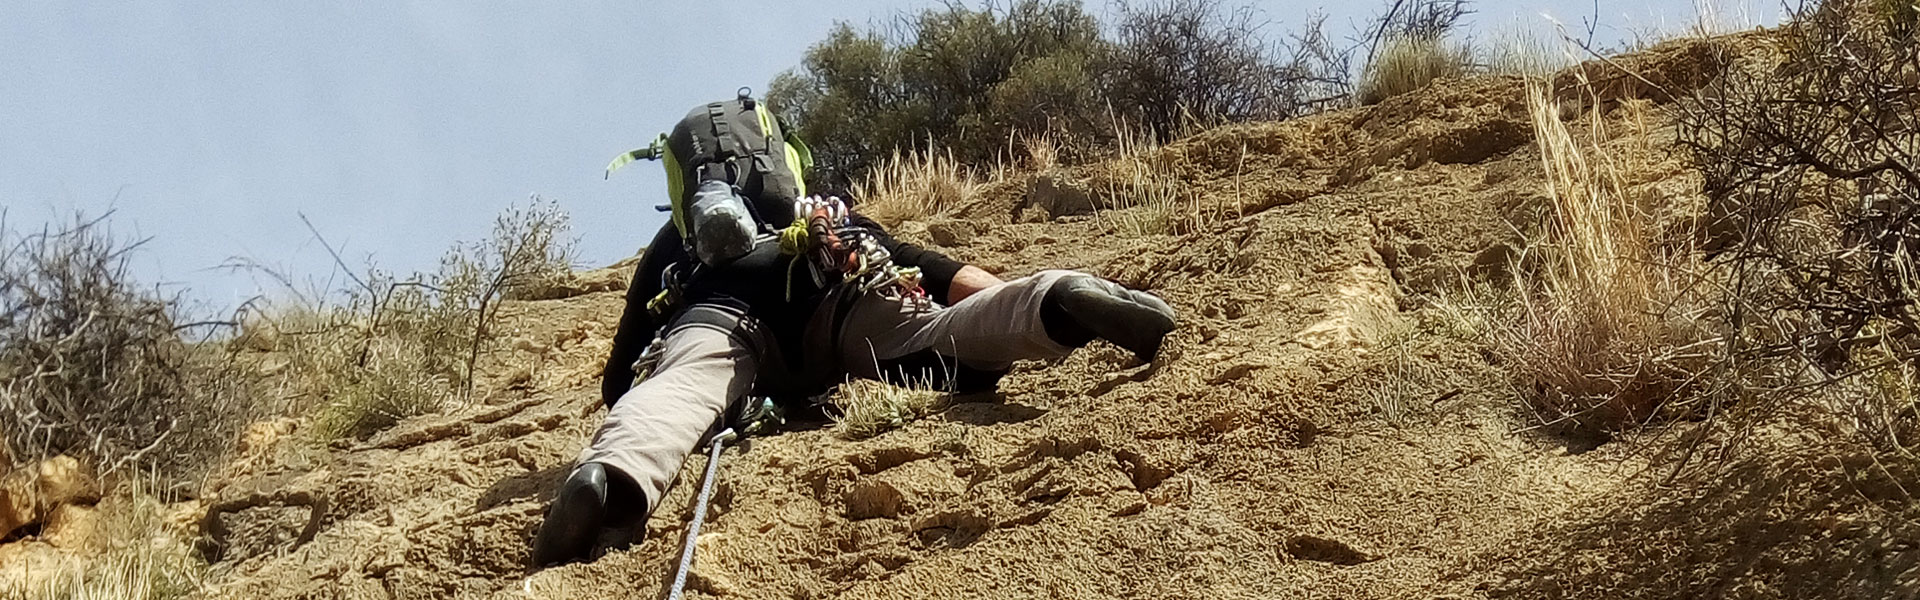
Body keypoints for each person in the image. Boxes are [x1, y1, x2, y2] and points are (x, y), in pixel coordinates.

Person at [530, 98, 1177, 569]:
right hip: (835, 280)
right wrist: (1012, 295)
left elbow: (620, 380)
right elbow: (944, 276)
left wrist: (702, 396)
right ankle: (1055, 302)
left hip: (717, 310)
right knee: (941, 340)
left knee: (679, 388)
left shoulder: (677, 242)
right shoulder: (824, 211)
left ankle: (612, 484)